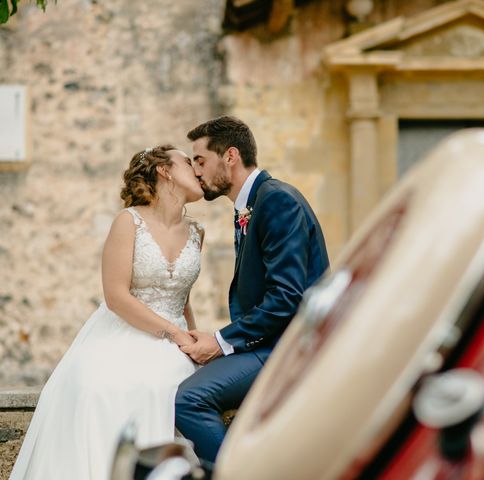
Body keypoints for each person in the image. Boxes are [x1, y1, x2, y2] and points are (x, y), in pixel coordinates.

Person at [10, 145, 205, 480]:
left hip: (175, 340)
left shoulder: (197, 232)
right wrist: (172, 333)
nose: (198, 169)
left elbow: (181, 297)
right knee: (98, 386)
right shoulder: (128, 222)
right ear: (165, 171)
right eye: (188, 161)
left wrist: (194, 338)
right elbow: (116, 296)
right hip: (125, 331)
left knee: (173, 386)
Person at [174, 115, 330, 463]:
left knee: (188, 399)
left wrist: (220, 341)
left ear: (230, 156)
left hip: (286, 346)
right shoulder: (252, 203)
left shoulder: (276, 201)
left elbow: (285, 298)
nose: (196, 171)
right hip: (265, 342)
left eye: (200, 160)